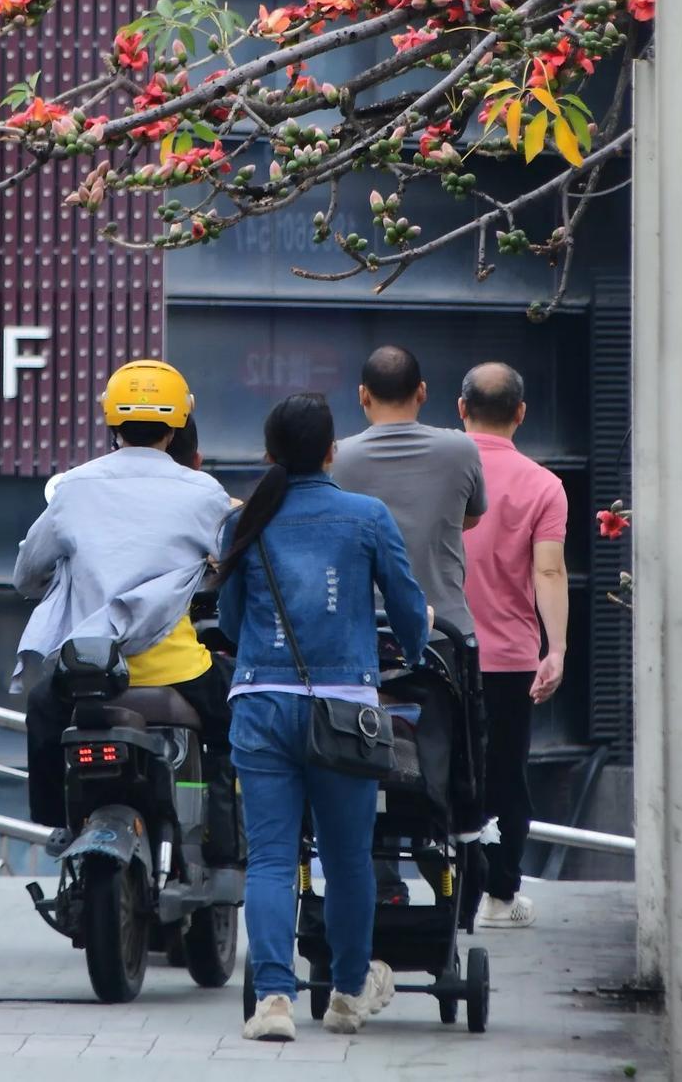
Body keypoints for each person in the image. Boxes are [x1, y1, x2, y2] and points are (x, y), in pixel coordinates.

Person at [217, 393, 430, 1044]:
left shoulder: (247, 521)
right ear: (333, 450)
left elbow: (228, 621)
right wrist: (412, 655)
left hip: (260, 704)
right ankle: (344, 994)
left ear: (269, 453)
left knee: (275, 860)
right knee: (348, 860)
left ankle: (275, 999)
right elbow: (410, 609)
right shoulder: (366, 517)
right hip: (346, 711)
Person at [14, 359, 234, 841]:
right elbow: (232, 565)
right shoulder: (204, 492)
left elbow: (27, 575)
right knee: (232, 727)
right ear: (178, 427)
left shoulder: (72, 488)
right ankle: (224, 839)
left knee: (42, 709)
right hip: (179, 671)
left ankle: (59, 824)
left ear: (111, 421)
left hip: (88, 672)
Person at [332, 344, 486, 904]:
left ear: (362, 397)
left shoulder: (339, 457)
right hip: (445, 632)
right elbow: (471, 515)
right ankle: (454, 837)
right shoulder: (459, 449)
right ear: (422, 393)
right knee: (463, 745)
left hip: (360, 637)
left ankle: (381, 873)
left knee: (358, 747)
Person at [459, 362, 569, 930]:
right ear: (521, 413)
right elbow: (548, 573)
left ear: (460, 409)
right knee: (505, 775)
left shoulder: (440, 470)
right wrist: (557, 649)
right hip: (508, 657)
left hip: (436, 650)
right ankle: (500, 896)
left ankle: (449, 887)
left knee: (442, 769)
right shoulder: (543, 485)